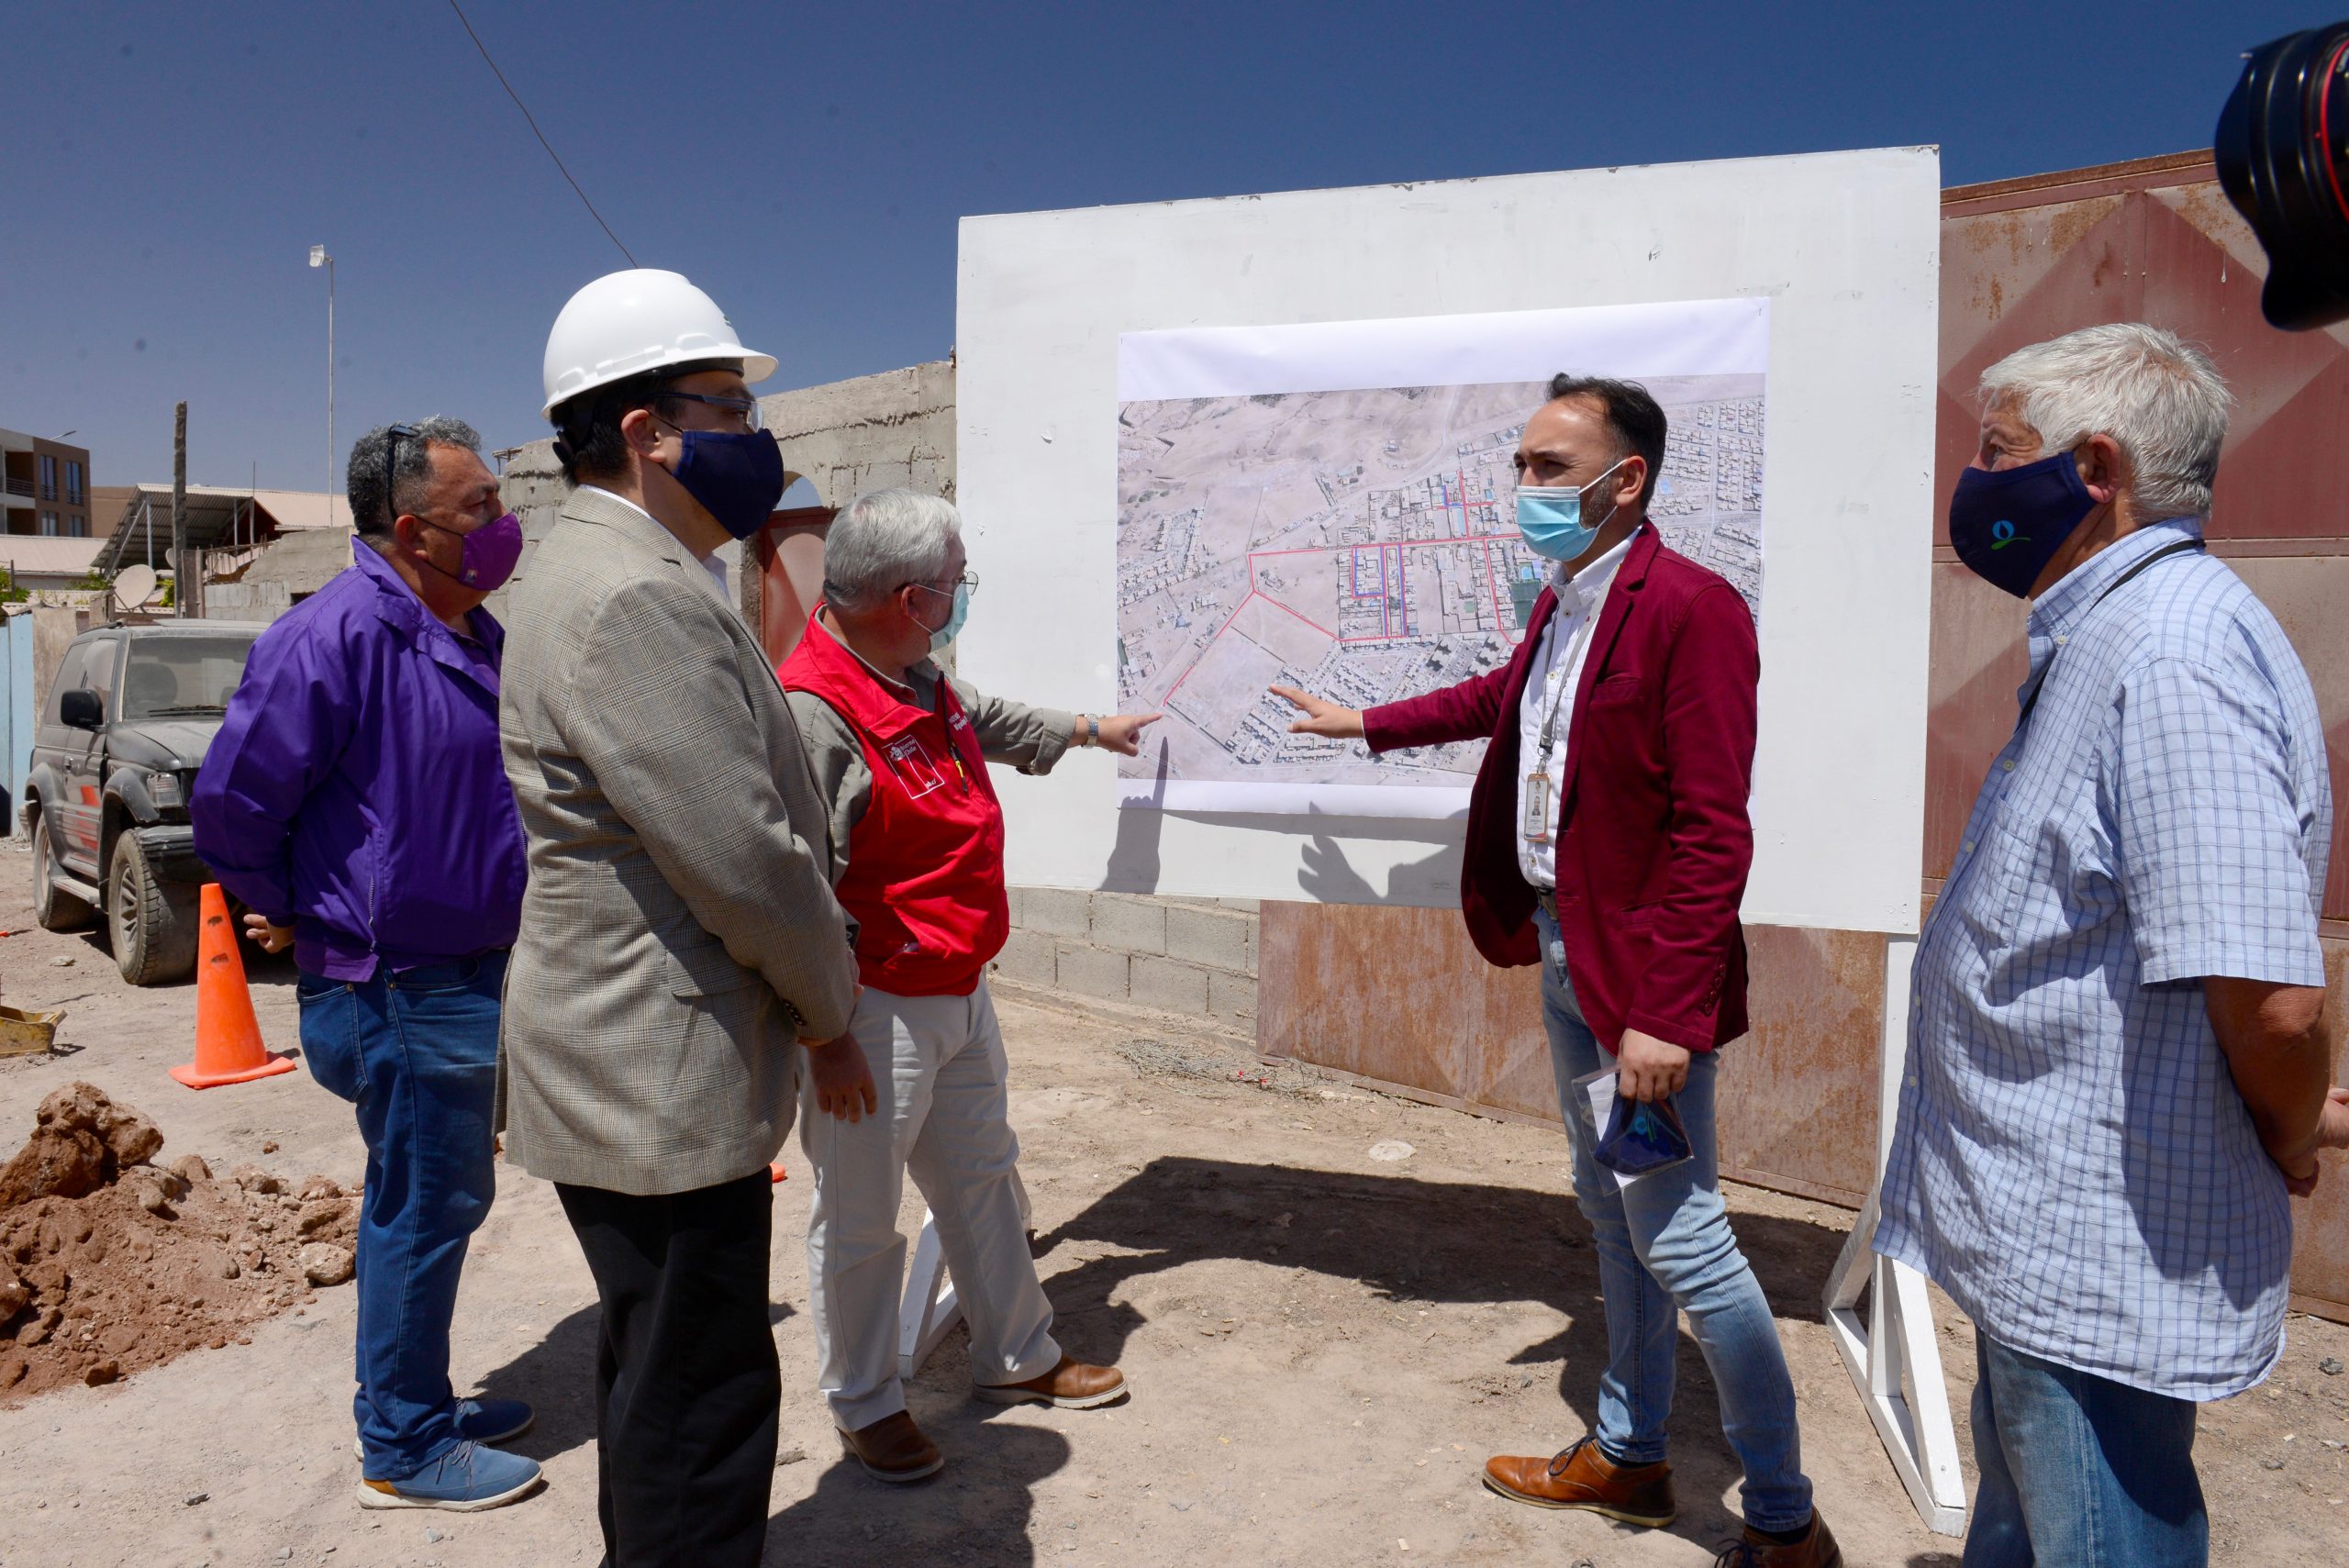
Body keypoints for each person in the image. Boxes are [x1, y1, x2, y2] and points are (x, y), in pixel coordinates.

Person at [1275, 376, 1835, 1567]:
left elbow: (1711, 829)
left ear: (1623, 478)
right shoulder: (1571, 599)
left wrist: (1667, 1017)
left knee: (1684, 1240)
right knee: (1608, 1215)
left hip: (1643, 995)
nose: (1521, 488)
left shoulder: (1692, 608)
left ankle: (1784, 1520)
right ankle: (1631, 1455)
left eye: (1545, 467)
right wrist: (1358, 725)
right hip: (1568, 958)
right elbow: (1502, 700)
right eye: (1521, 465)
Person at [1876, 323, 2344, 1568]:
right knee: (2032, 1518)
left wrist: (2291, 1131)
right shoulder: (2112, 631)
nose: (1973, 484)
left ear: (2094, 467)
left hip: (2094, 1252)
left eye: (1995, 453)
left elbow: (2277, 1005)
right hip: (2048, 1237)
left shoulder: (2174, 654)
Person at [498, 269, 861, 1567]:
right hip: (656, 1074)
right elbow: (748, 863)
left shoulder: (623, 567)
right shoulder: (633, 595)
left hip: (631, 1059)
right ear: (647, 432)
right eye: (727, 404)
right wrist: (832, 1014)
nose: (756, 436)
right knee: (699, 1409)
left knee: (657, 1381)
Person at [191, 417, 540, 1512]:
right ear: (410, 530)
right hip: (396, 984)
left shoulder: (469, 629)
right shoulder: (332, 638)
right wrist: (305, 907)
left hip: (465, 971)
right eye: (478, 505)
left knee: (442, 1197)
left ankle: (421, 1393)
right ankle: (399, 1441)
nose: (501, 522)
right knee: (424, 1202)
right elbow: (232, 807)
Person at [777, 488, 1156, 1481]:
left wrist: (1084, 729)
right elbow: (792, 893)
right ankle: (865, 1401)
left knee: (982, 1177)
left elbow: (977, 714)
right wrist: (825, 1035)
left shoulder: (909, 670)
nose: (961, 595)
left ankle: (1015, 1355)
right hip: (871, 1009)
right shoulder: (815, 712)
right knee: (860, 1215)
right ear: (912, 595)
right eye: (956, 583)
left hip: (955, 984)